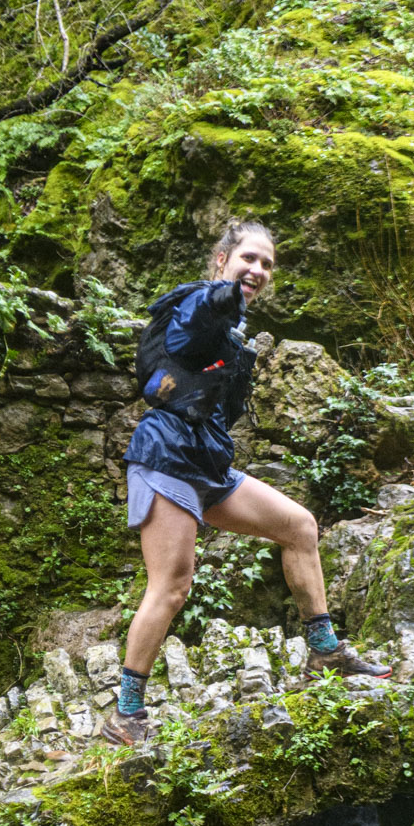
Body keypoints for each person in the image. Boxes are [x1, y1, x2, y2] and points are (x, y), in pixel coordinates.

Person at [100, 219, 391, 748]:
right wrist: (221, 298)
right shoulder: (202, 304)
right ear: (222, 260)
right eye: (248, 259)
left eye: (266, 264)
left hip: (209, 465)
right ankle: (125, 713)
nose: (256, 270)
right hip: (166, 458)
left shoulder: (233, 334)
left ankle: (325, 650)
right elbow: (189, 330)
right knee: (172, 586)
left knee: (299, 526)